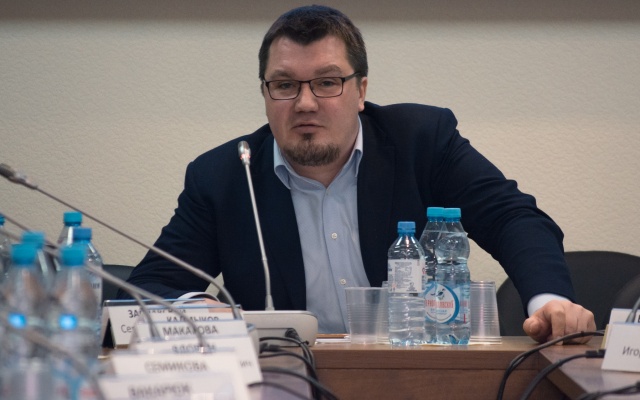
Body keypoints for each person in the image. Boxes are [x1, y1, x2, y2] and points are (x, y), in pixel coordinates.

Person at [121, 5, 595, 343]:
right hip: (285, 379)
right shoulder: (225, 176)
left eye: (327, 82)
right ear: (265, 94)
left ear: (361, 90)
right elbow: (148, 289)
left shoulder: (421, 141)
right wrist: (194, 307)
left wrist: (548, 303)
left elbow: (514, 218)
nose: (305, 103)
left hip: (409, 374)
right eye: (284, 85)